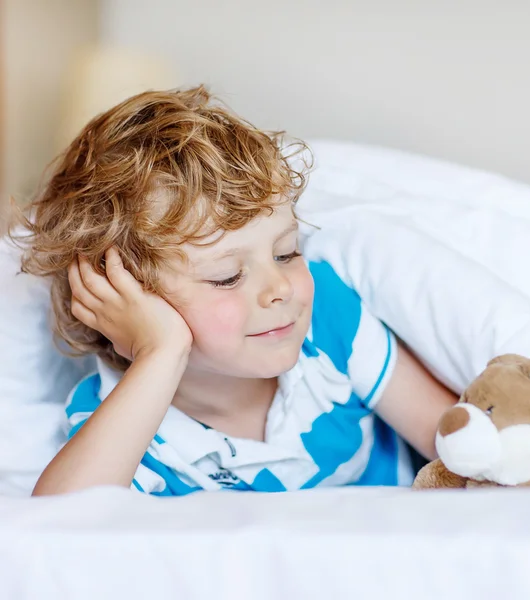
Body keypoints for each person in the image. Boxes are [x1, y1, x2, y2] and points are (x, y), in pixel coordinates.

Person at [12, 85, 457, 496]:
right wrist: (161, 353)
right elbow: (59, 529)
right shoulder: (121, 421)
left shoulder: (329, 318)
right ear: (118, 298)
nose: (280, 287)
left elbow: (456, 441)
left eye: (286, 252)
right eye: (227, 277)